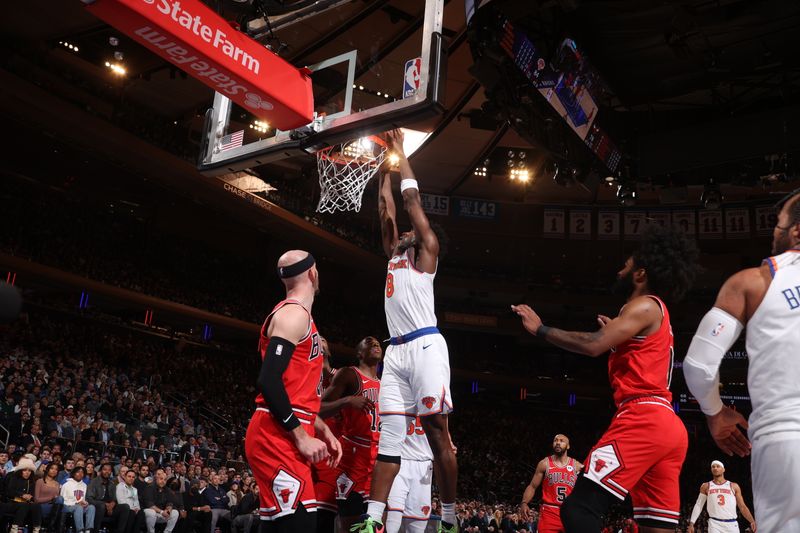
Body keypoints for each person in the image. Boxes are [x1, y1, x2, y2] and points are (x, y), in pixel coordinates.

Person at [513, 224, 698, 533]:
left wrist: (541, 329)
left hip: (643, 418)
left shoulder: (644, 304)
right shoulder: (654, 314)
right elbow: (636, 354)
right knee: (656, 528)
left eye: (625, 267)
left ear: (640, 274)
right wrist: (618, 336)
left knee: (577, 508)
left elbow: (592, 343)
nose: (619, 271)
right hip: (669, 426)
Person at [353, 130, 458, 533]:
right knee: (390, 440)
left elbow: (410, 201)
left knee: (437, 433)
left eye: (408, 233)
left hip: (426, 345)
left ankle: (447, 520)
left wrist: (400, 153)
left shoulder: (426, 250)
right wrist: (384, 170)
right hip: (396, 352)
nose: (402, 233)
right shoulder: (392, 254)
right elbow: (386, 210)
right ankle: (373, 520)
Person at [683, 189, 800, 533]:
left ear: (796, 232)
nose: (772, 233)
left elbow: (699, 365)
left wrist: (716, 412)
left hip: (786, 436)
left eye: (777, 225)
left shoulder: (754, 282)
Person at [244, 250, 342, 532]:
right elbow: (269, 381)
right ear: (313, 273)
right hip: (277, 435)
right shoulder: (292, 315)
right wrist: (301, 436)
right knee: (299, 525)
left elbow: (293, 389)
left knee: (282, 525)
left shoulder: (302, 317)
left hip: (286, 428)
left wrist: (321, 428)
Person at [319, 336, 383, 530]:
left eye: (378, 344)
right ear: (359, 353)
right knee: (352, 526)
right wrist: (346, 401)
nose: (375, 345)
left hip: (379, 460)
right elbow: (318, 408)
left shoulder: (387, 384)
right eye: (369, 342)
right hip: (353, 459)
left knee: (377, 526)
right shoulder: (349, 374)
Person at [519, 435, 582, 533]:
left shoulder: (577, 465)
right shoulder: (544, 463)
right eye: (555, 440)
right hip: (549, 512)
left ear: (568, 446)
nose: (557, 442)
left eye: (562, 441)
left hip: (570, 512)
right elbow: (532, 486)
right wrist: (524, 502)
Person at [311, 336, 343, 532]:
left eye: (323, 338)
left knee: (321, 519)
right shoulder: (305, 376)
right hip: (304, 450)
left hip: (329, 456)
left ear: (329, 350)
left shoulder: (341, 377)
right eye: (316, 338)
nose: (319, 339)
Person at [385, 417, 436, 533]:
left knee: (418, 520)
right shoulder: (396, 400)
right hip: (399, 460)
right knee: (394, 511)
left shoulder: (435, 402)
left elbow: (443, 428)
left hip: (423, 463)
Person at [687, 460, 755, 533]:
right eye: (713, 467)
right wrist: (691, 523)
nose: (715, 468)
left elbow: (742, 506)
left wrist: (752, 521)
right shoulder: (706, 486)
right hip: (714, 524)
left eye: (718, 466)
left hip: (732, 524)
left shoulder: (733, 486)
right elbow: (698, 505)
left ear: (723, 470)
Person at [87, 463, 131, 533]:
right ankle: (95, 531)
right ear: (101, 471)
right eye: (105, 470)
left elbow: (114, 499)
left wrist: (112, 504)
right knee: (101, 506)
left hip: (110, 509)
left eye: (109, 470)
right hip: (98, 508)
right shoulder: (94, 482)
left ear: (111, 472)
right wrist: (105, 504)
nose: (107, 472)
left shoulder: (112, 483)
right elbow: (89, 499)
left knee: (125, 507)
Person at [5, 457, 43, 533]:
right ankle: (14, 528)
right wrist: (22, 495)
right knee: (24, 505)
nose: (27, 472)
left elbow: (32, 494)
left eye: (29, 470)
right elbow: (9, 492)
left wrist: (30, 497)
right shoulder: (14, 478)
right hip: (12, 502)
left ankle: (36, 529)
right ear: (20, 471)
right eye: (25, 470)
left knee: (36, 505)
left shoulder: (31, 481)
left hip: (25, 502)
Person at [61, 466, 96, 533]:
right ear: (73, 473)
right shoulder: (66, 484)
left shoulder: (84, 485)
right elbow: (63, 500)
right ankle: (80, 530)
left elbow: (84, 499)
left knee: (91, 507)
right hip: (68, 506)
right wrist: (76, 503)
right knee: (79, 507)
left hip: (80, 506)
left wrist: (85, 503)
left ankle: (88, 530)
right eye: (78, 472)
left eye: (82, 472)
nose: (80, 474)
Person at [35, 461, 64, 531]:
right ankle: (51, 528)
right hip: (41, 506)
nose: (54, 471)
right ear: (47, 470)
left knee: (63, 506)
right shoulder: (40, 481)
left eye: (56, 469)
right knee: (60, 501)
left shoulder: (57, 484)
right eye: (52, 468)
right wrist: (51, 498)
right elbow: (36, 500)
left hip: (54, 507)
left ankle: (51, 526)